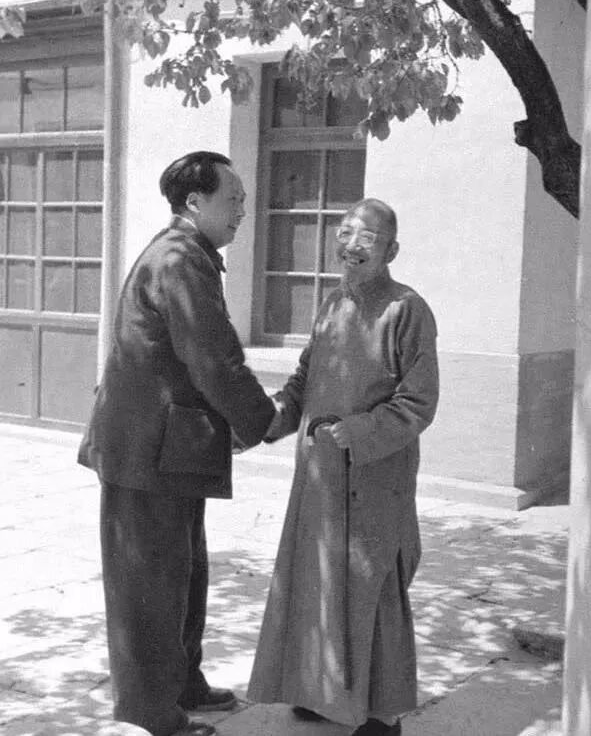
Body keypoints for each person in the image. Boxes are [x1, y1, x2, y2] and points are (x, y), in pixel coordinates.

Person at [78, 151, 275, 736]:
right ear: (195, 202)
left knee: (184, 575)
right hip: (147, 452)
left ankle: (183, 683)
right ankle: (151, 713)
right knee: (151, 588)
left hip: (169, 449)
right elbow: (213, 359)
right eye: (233, 199)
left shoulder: (187, 254)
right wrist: (264, 420)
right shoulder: (180, 261)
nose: (242, 210)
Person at [247, 198, 439, 736]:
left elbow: (419, 401)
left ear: (391, 251)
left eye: (368, 239)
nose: (352, 245)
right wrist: (272, 420)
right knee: (316, 581)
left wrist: (363, 430)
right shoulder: (332, 304)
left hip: (376, 473)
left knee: (371, 586)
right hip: (320, 474)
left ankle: (382, 713)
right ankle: (320, 692)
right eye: (346, 233)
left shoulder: (407, 310)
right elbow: (304, 378)